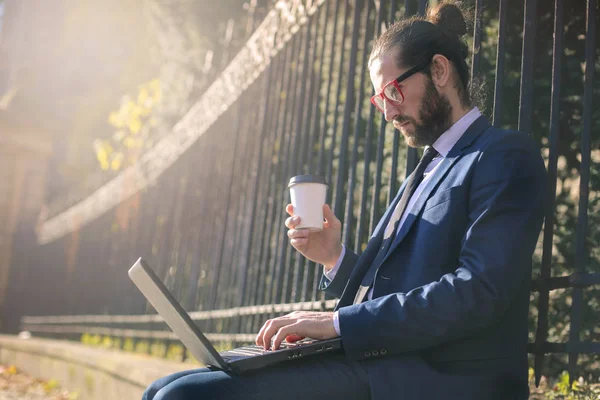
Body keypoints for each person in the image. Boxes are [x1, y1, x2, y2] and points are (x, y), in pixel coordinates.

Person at [143, 3, 547, 399]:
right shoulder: (427, 168)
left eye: (393, 90)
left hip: (440, 378)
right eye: (379, 99)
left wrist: (336, 323)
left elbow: (477, 291)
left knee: (184, 397)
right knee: (161, 388)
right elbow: (396, 289)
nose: (388, 112)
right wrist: (333, 257)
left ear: (439, 70)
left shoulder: (501, 154)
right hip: (381, 361)